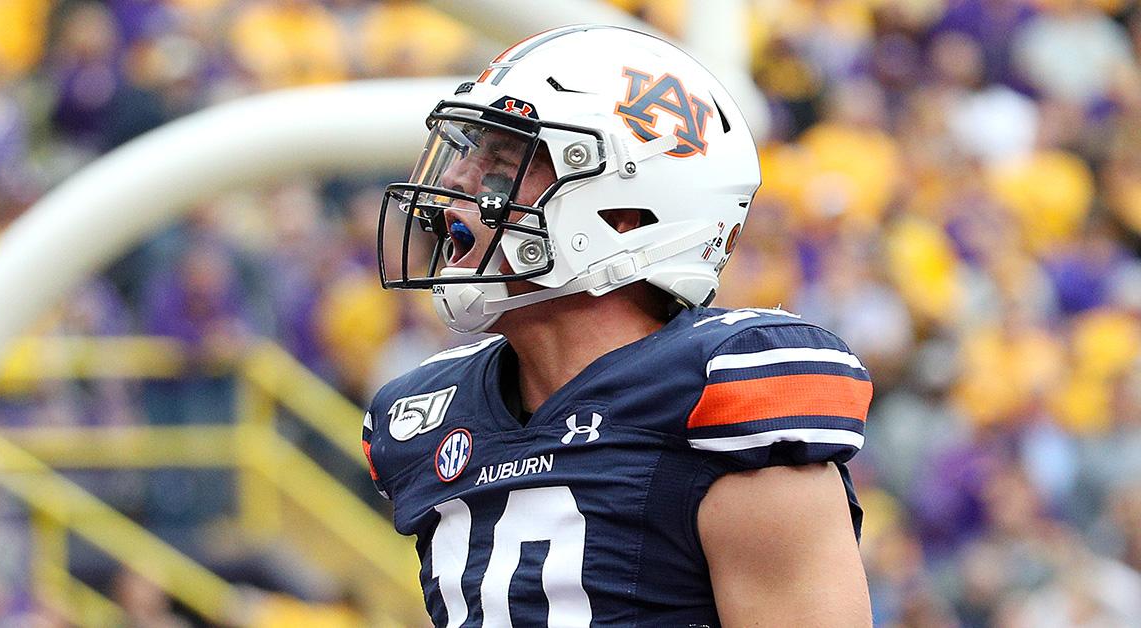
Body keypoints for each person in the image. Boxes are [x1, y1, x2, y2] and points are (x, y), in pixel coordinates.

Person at [363, 25, 872, 626]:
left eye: (502, 160)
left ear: (626, 215)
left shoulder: (717, 399)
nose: (455, 184)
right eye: (467, 155)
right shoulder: (426, 413)